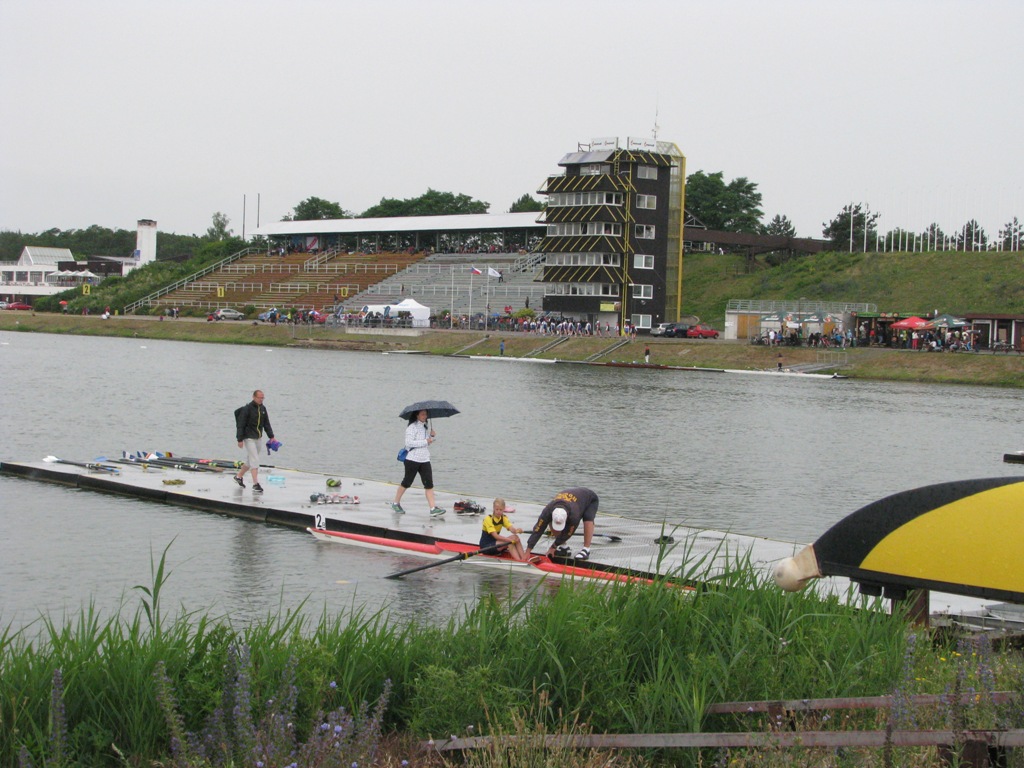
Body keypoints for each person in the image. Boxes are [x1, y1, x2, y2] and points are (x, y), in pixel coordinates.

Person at [391, 409, 446, 517]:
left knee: (429, 484)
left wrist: (431, 437)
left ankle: (433, 508)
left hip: (425, 459)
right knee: (407, 482)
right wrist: (426, 441)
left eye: (426, 414)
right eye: (422, 414)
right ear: (417, 415)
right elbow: (409, 443)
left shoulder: (424, 427)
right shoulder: (412, 427)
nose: (425, 416)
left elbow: (426, 443)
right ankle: (396, 503)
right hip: (412, 459)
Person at [524, 487, 598, 561]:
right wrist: (528, 551)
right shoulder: (547, 511)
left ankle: (586, 549)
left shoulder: (574, 515)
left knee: (588, 519)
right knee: (548, 521)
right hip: (572, 499)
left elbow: (568, 533)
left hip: (590, 499)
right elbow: (538, 530)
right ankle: (564, 548)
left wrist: (553, 547)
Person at [234, 389, 275, 493]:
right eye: (259, 398)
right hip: (249, 438)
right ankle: (255, 484)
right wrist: (239, 439)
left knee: (250, 460)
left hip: (258, 438)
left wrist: (271, 436)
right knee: (255, 460)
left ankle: (238, 476)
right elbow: (240, 425)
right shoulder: (247, 409)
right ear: (254, 397)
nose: (261, 400)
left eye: (262, 398)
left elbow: (266, 424)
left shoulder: (263, 409)